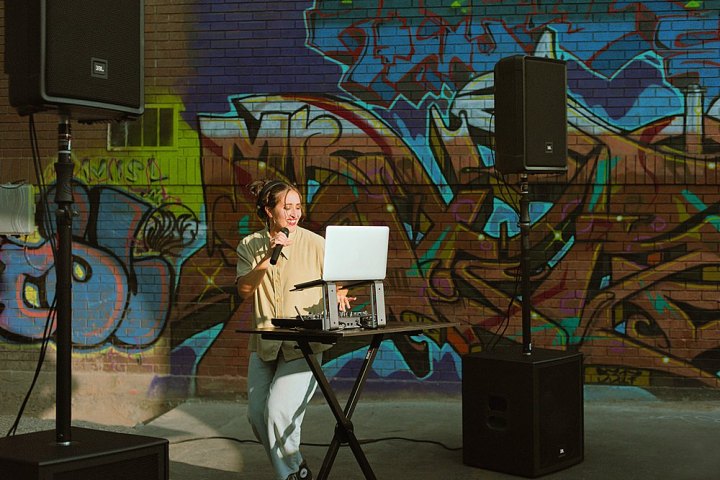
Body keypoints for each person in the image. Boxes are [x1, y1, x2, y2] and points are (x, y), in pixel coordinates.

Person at [235, 179, 352, 480]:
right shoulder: (249, 245)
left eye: (298, 206)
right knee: (257, 417)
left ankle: (290, 477)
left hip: (304, 346)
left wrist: (339, 293)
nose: (294, 213)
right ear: (268, 210)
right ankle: (297, 468)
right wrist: (267, 259)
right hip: (264, 343)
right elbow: (244, 289)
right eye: (287, 207)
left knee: (278, 412)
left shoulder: (316, 244)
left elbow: (340, 282)